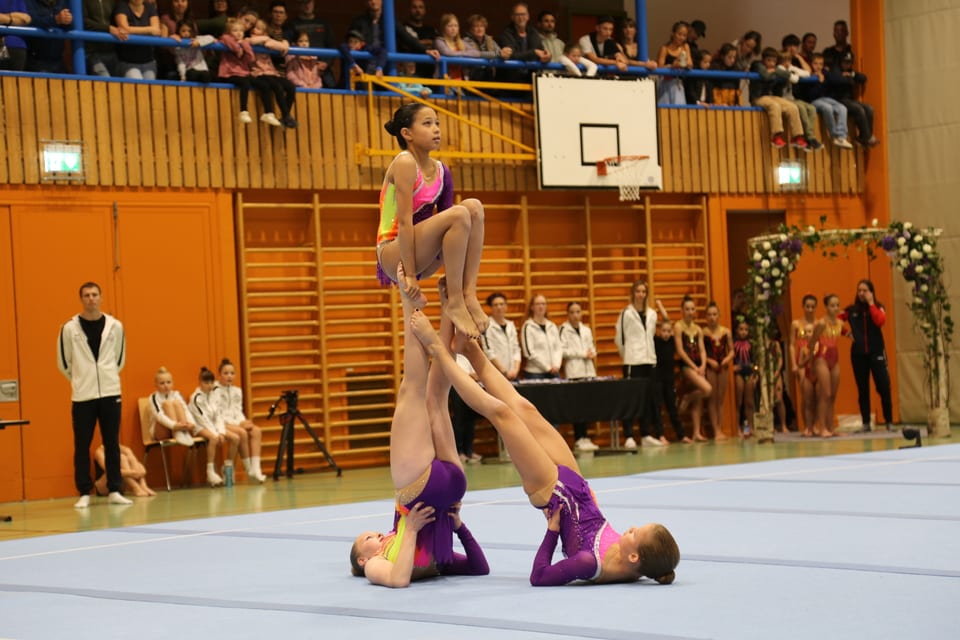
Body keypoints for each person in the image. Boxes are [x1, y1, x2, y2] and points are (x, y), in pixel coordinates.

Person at [410, 304, 680, 587]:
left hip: (552, 491)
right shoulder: (633, 559)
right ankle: (470, 350)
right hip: (578, 488)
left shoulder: (591, 564)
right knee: (525, 409)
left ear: (634, 558)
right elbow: (598, 527)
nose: (632, 528)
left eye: (636, 533)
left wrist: (552, 531)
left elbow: (540, 576)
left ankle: (437, 349)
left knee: (502, 415)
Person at [350, 271, 490, 586]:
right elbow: (399, 580)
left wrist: (454, 528)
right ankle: (408, 301)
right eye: (368, 538)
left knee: (436, 398)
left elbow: (479, 569)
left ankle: (447, 307)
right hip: (421, 489)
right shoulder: (375, 564)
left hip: (451, 487)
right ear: (363, 558)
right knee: (411, 390)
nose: (375, 533)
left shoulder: (434, 557)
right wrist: (422, 529)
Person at [377, 102, 487, 339]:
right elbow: (404, 223)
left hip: (424, 252)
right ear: (407, 134)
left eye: (437, 123)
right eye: (427, 124)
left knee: (473, 209)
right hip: (394, 253)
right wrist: (410, 274)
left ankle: (468, 293)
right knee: (460, 213)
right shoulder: (404, 162)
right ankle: (456, 300)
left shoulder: (441, 170)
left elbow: (456, 229)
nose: (436, 129)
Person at [57, 282, 132, 508]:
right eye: (87, 295)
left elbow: (119, 358)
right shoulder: (69, 328)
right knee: (82, 444)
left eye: (94, 294)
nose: (91, 298)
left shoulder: (115, 326)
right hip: (83, 396)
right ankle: (84, 492)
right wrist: (82, 380)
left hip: (110, 393)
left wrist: (106, 376)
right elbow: (63, 362)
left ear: (101, 297)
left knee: (112, 443)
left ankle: (115, 490)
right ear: (81, 299)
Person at [149, 366, 224, 487]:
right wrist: (175, 426)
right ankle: (178, 433)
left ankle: (182, 433)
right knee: (168, 404)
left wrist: (190, 423)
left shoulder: (176, 394)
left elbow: (185, 409)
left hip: (179, 426)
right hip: (162, 431)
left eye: (168, 382)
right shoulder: (153, 397)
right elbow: (159, 416)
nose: (166, 386)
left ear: (172, 383)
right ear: (156, 385)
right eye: (162, 383)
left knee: (177, 403)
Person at [840, 279, 893, 432]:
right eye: (859, 290)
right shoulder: (851, 310)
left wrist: (871, 304)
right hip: (858, 354)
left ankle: (889, 421)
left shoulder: (878, 307)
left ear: (871, 292)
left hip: (876, 352)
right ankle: (865, 423)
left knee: (883, 386)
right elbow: (834, 320)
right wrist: (846, 332)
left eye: (865, 290)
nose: (862, 293)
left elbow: (880, 321)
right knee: (862, 389)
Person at [614, 280, 658, 450]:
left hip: (649, 360)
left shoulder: (653, 314)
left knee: (648, 398)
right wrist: (628, 356)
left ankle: (646, 434)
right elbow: (620, 339)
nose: (641, 294)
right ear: (633, 293)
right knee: (631, 399)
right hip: (633, 360)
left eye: (643, 291)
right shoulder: (626, 313)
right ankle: (629, 435)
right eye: (638, 291)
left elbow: (651, 335)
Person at [215, 357, 267, 482]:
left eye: (232, 373)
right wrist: (239, 425)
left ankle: (256, 468)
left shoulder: (237, 391)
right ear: (219, 375)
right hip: (220, 423)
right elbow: (218, 413)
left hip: (235, 423)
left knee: (256, 431)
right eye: (226, 373)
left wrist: (243, 421)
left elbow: (237, 410)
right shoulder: (215, 390)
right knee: (242, 432)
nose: (229, 376)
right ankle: (248, 469)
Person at [189, 366, 240, 484]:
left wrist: (221, 431)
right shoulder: (196, 398)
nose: (210, 385)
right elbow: (203, 420)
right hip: (200, 426)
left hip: (214, 426)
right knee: (213, 438)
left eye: (211, 382)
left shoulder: (214, 394)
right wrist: (216, 434)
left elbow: (219, 416)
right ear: (200, 382)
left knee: (236, 438)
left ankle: (228, 467)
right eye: (206, 382)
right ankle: (210, 472)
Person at [750, 47, 807, 150]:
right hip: (758, 97)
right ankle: (776, 135)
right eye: (769, 60)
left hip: (771, 96)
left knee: (792, 107)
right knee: (774, 106)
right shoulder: (757, 65)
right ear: (763, 60)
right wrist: (776, 71)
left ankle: (797, 136)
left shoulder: (775, 68)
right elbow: (766, 76)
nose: (772, 63)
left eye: (774, 61)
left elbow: (776, 74)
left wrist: (775, 71)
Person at [560, 301, 599, 451]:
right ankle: (578, 437)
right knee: (576, 406)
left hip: (588, 371)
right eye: (572, 312)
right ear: (568, 314)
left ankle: (586, 437)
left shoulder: (586, 329)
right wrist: (582, 354)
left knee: (586, 406)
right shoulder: (564, 329)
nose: (576, 315)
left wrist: (591, 353)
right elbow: (563, 350)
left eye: (578, 312)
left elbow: (592, 346)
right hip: (574, 372)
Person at [795, 52, 853, 149]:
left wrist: (825, 76)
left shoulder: (825, 73)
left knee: (842, 108)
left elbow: (837, 80)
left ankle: (842, 136)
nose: (818, 66)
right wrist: (818, 80)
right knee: (827, 108)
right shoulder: (807, 74)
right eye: (816, 63)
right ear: (810, 64)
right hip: (814, 100)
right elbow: (811, 94)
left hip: (826, 98)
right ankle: (834, 135)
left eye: (821, 64)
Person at [674, 295, 712, 441]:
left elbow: (702, 350)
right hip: (686, 366)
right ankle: (687, 397)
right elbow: (680, 350)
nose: (690, 312)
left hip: (698, 366)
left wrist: (702, 365)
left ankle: (696, 432)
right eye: (687, 309)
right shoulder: (678, 326)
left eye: (692, 309)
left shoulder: (698, 329)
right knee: (707, 389)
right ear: (682, 310)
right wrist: (693, 366)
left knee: (699, 400)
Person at [248, 18, 298, 128]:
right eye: (255, 27)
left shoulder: (267, 41)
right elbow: (252, 41)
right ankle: (286, 114)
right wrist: (267, 39)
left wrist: (284, 43)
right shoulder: (249, 40)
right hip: (259, 72)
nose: (255, 30)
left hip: (271, 72)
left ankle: (285, 115)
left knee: (290, 87)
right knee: (276, 86)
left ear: (265, 32)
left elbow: (278, 46)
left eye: (259, 29)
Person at [652, 309, 691, 444]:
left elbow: (669, 320)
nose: (666, 334)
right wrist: (659, 312)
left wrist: (662, 307)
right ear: (659, 331)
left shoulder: (672, 342)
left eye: (669, 331)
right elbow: (660, 323)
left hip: (669, 379)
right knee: (657, 408)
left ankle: (681, 435)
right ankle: (660, 435)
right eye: (664, 331)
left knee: (672, 407)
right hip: (657, 379)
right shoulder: (655, 341)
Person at [811, 294, 846, 438]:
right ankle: (822, 427)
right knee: (825, 394)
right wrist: (811, 361)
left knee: (833, 396)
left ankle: (831, 427)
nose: (836, 308)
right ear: (826, 307)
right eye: (832, 305)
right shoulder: (820, 323)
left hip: (834, 358)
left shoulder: (840, 323)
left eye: (837, 305)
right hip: (822, 358)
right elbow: (812, 342)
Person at [825, 50, 878, 147]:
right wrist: (849, 80)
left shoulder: (850, 72)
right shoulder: (835, 69)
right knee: (859, 109)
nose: (847, 65)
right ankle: (867, 138)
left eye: (849, 62)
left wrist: (852, 75)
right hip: (838, 99)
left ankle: (864, 137)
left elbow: (863, 78)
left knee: (869, 108)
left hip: (849, 99)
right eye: (845, 62)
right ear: (840, 61)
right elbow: (838, 80)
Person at [217, 17, 261, 124]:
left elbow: (251, 58)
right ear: (229, 32)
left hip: (242, 72)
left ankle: (268, 112)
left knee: (262, 83)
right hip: (228, 73)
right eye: (235, 30)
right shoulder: (226, 38)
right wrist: (237, 48)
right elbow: (225, 38)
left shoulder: (244, 43)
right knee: (244, 83)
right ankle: (243, 110)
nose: (238, 33)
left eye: (241, 31)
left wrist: (244, 44)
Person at [497, 2, 550, 83]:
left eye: (523, 14)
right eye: (517, 15)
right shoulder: (506, 34)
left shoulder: (533, 32)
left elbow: (540, 51)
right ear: (512, 17)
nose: (521, 17)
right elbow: (512, 55)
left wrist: (547, 56)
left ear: (528, 16)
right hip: (510, 81)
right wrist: (534, 53)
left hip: (531, 80)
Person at [702, 302, 733, 441]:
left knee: (720, 399)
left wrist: (727, 359)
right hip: (711, 366)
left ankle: (720, 428)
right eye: (709, 315)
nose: (712, 317)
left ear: (719, 315)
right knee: (712, 399)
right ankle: (715, 430)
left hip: (723, 366)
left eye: (715, 314)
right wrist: (709, 361)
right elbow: (701, 352)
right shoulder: (703, 332)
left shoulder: (726, 332)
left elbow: (732, 350)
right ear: (706, 317)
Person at [790, 294, 820, 437]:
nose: (810, 309)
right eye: (807, 306)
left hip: (815, 357)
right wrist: (794, 364)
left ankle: (815, 425)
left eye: (812, 306)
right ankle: (807, 425)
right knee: (806, 393)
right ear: (803, 306)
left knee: (816, 394)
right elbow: (791, 344)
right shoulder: (796, 324)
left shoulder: (819, 324)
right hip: (802, 359)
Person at [289, 0, 336, 88]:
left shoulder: (323, 23)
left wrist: (326, 62)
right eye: (304, 2)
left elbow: (332, 46)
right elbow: (289, 47)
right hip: (301, 69)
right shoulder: (292, 24)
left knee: (333, 88)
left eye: (309, 2)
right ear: (299, 4)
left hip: (323, 69)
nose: (307, 6)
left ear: (313, 3)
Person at [113, 0, 161, 79]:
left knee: (149, 89)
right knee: (137, 83)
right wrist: (149, 30)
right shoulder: (122, 6)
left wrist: (133, 30)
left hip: (149, 61)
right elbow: (124, 29)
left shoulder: (150, 7)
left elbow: (156, 30)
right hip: (128, 62)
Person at [24, 0, 72, 73]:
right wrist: (55, 20)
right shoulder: (28, 2)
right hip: (34, 60)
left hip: (58, 61)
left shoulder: (62, 2)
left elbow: (70, 27)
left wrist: (68, 20)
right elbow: (29, 20)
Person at [521, 294, 562, 380]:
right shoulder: (528, 326)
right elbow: (529, 352)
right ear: (532, 307)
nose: (541, 306)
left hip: (554, 372)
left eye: (543, 304)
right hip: (535, 373)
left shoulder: (552, 325)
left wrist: (556, 365)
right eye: (538, 304)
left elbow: (558, 348)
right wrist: (547, 367)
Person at [481, 292, 521, 381]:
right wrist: (503, 371)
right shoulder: (487, 326)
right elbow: (488, 351)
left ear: (506, 306)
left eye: (501, 304)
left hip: (513, 373)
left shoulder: (511, 325)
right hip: (496, 373)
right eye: (495, 305)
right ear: (491, 307)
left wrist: (516, 369)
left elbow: (516, 349)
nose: (499, 307)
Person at [462, 14, 510, 83]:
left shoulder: (490, 41)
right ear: (471, 29)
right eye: (476, 26)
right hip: (472, 78)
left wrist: (505, 53)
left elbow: (500, 53)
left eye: (482, 26)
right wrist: (499, 54)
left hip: (489, 77)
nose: (479, 29)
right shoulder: (465, 41)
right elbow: (477, 54)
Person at [656, 21, 692, 104]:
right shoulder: (665, 48)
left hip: (678, 83)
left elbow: (690, 64)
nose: (682, 38)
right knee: (664, 110)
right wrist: (672, 66)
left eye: (684, 35)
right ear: (673, 34)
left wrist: (682, 64)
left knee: (679, 110)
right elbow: (659, 68)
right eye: (679, 34)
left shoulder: (685, 47)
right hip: (665, 83)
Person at [731, 320, 756, 438]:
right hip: (739, 373)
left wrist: (755, 372)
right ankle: (737, 427)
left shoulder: (751, 343)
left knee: (749, 402)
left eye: (746, 329)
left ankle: (750, 427)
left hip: (749, 372)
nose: (743, 332)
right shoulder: (733, 343)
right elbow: (731, 356)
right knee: (739, 402)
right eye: (741, 329)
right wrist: (733, 367)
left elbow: (754, 360)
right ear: (736, 330)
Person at [81, 0, 119, 76]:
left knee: (116, 83)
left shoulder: (111, 2)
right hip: (92, 51)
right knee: (104, 79)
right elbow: (84, 22)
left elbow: (117, 19)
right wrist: (107, 28)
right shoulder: (83, 1)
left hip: (111, 50)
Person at [401, 0, 438, 78]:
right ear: (409, 9)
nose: (418, 10)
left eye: (421, 7)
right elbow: (406, 44)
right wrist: (426, 42)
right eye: (414, 7)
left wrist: (420, 43)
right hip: (411, 74)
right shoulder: (403, 28)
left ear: (424, 10)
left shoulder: (431, 30)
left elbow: (437, 44)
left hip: (430, 74)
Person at [433, 13, 467, 80]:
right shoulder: (439, 41)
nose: (453, 29)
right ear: (443, 28)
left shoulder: (462, 43)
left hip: (460, 81)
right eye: (450, 26)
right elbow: (447, 53)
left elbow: (475, 52)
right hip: (444, 80)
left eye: (455, 26)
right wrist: (465, 54)